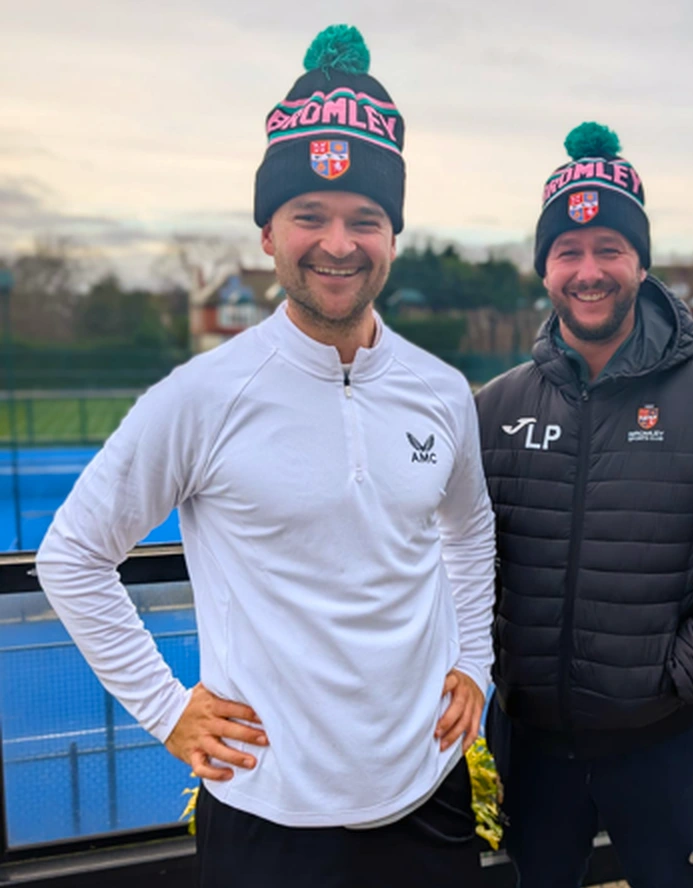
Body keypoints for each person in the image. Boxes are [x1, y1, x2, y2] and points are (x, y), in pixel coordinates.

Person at [36, 25, 495, 888]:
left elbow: (469, 529)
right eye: (309, 215)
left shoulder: (441, 390)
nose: (338, 243)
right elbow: (72, 556)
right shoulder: (200, 396)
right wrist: (167, 710)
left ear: (393, 237)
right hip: (267, 817)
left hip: (428, 797)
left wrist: (476, 660)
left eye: (365, 219)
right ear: (268, 234)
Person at [475, 122, 693, 887]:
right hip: (529, 744)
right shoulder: (494, 407)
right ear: (545, 268)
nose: (589, 272)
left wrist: (676, 672)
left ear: (641, 261)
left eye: (610, 249)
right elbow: (456, 560)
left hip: (665, 745)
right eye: (568, 251)